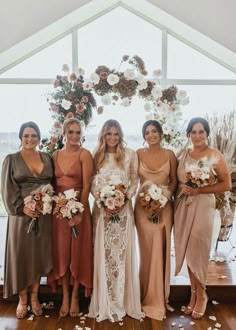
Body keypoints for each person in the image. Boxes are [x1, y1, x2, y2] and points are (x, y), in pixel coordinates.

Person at [174, 117, 231, 319]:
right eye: (193, 132)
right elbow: (175, 180)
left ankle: (202, 295)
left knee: (198, 248)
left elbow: (226, 185)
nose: (197, 136)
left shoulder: (215, 155)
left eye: (201, 132)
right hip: (182, 206)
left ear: (207, 133)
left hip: (203, 206)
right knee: (189, 250)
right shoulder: (182, 154)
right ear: (188, 134)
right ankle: (194, 294)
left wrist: (200, 190)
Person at [88, 119, 143, 322]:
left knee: (121, 256)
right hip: (102, 213)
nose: (112, 138)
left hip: (123, 213)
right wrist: (103, 200)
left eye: (116, 134)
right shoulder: (96, 155)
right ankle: (105, 300)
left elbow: (134, 180)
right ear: (103, 136)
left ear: (120, 135)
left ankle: (123, 300)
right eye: (108, 134)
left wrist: (123, 199)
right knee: (104, 255)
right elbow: (91, 182)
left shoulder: (130, 155)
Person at [1, 121, 54, 319]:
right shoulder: (11, 159)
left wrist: (46, 204)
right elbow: (7, 189)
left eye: (34, 135)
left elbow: (52, 184)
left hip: (44, 215)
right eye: (26, 136)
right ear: (20, 138)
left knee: (38, 257)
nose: (30, 139)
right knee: (21, 256)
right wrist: (23, 208)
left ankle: (34, 296)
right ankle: (22, 299)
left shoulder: (47, 158)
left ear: (39, 138)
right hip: (21, 216)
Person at [48, 118, 93, 317]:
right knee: (62, 254)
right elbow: (51, 185)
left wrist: (80, 212)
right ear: (64, 133)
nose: (74, 136)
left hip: (79, 210)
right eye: (71, 132)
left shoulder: (85, 154)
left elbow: (87, 185)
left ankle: (75, 295)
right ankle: (65, 294)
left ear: (82, 135)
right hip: (59, 212)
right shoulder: (55, 155)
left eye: (78, 132)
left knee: (78, 252)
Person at [134, 120, 177, 320]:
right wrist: (145, 200)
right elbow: (133, 181)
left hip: (165, 206)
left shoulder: (170, 154)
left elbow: (175, 180)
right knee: (147, 250)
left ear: (161, 133)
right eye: (147, 132)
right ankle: (144, 294)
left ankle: (159, 296)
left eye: (154, 131)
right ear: (144, 135)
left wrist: (163, 199)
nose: (151, 135)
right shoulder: (138, 154)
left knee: (161, 248)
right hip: (142, 207)